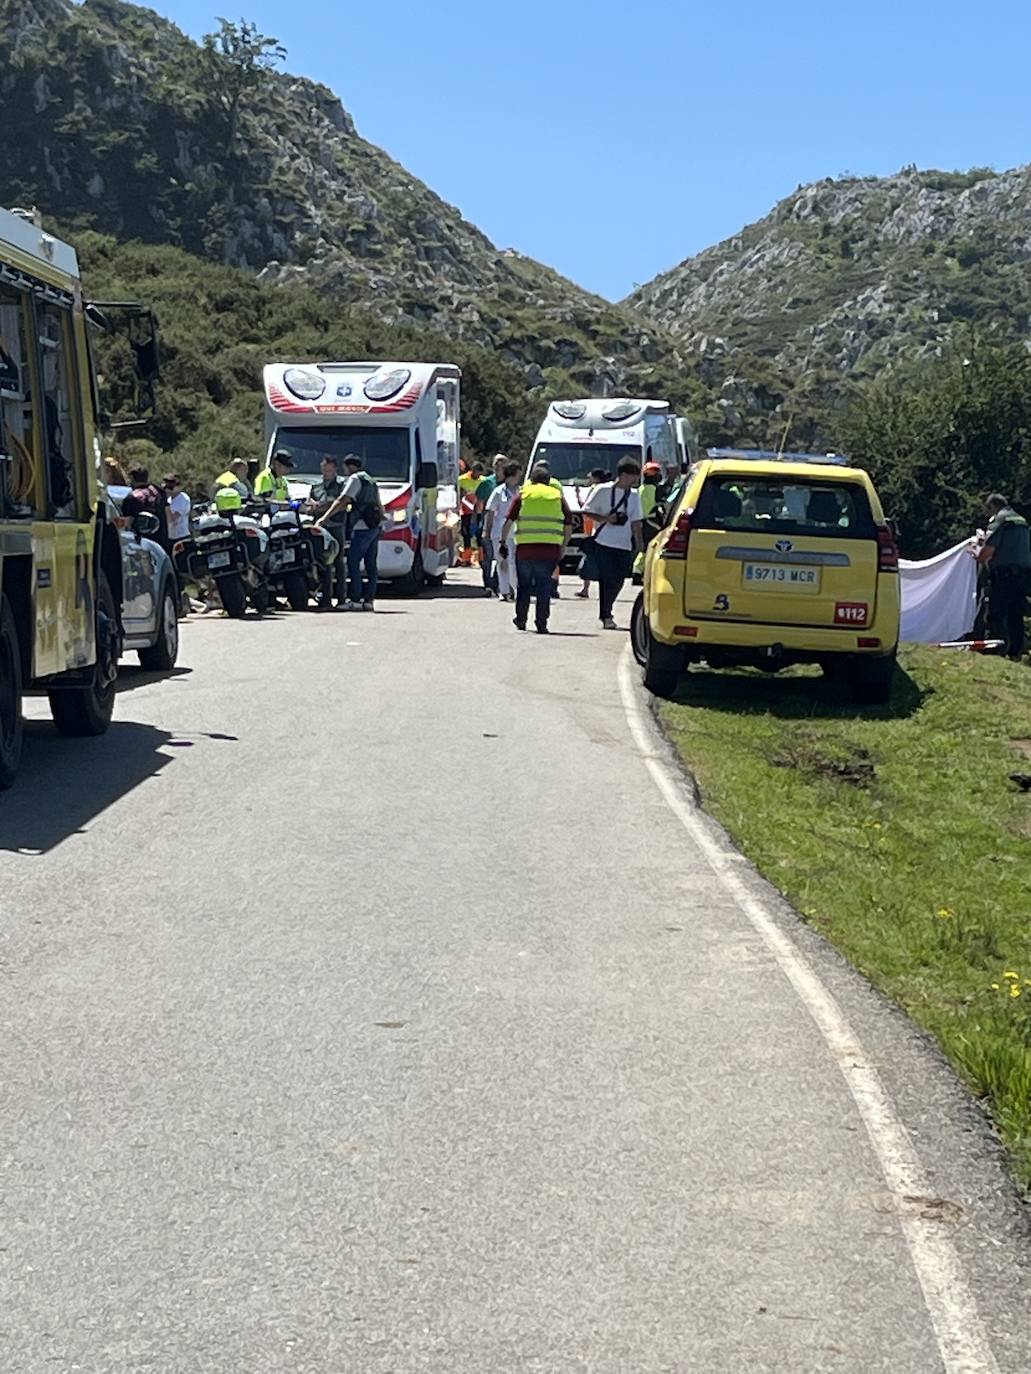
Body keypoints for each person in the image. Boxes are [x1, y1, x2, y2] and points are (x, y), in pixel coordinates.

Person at [499, 460, 573, 634]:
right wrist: (563, 545)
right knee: (544, 586)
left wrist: (503, 542)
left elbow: (508, 520)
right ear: (549, 481)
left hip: (525, 549)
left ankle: (521, 619)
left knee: (524, 586)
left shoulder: (523, 495)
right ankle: (541, 623)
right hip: (549, 550)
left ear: (531, 480)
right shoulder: (557, 496)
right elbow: (568, 523)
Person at [314, 454, 385, 610]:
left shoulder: (355, 479)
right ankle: (368, 601)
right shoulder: (370, 480)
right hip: (374, 525)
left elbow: (343, 500)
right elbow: (380, 504)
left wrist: (324, 518)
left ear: (349, 467)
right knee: (371, 564)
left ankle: (355, 599)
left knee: (352, 562)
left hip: (362, 526)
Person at [580, 459, 644, 630]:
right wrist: (605, 519)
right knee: (606, 580)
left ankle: (607, 609)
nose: (635, 480)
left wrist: (639, 545)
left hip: (624, 544)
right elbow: (586, 510)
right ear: (623, 475)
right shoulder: (602, 490)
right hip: (603, 542)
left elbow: (636, 522)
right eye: (633, 476)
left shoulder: (634, 496)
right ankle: (606, 614)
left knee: (619, 580)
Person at [976, 493, 1031, 659]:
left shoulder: (1000, 520)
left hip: (1004, 575)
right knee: (1016, 613)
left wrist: (977, 552)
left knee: (997, 613)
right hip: (1023, 575)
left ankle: (996, 650)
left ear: (993, 506)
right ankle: (1016, 652)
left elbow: (988, 551)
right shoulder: (1021, 521)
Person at [306, 455, 350, 608]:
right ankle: (325, 598)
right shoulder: (316, 486)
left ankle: (342, 598)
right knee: (322, 563)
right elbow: (309, 504)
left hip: (336, 526)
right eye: (324, 469)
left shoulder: (342, 485)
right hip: (320, 528)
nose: (326, 472)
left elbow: (342, 503)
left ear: (335, 469)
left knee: (338, 563)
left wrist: (324, 506)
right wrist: (312, 507)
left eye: (329, 469)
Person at [484, 461, 522, 601]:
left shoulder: (521, 492)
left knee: (513, 562)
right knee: (502, 561)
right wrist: (487, 532)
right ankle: (504, 591)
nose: (519, 477)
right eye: (518, 474)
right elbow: (490, 512)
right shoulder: (498, 492)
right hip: (499, 532)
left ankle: (516, 590)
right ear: (511, 475)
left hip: (516, 532)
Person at [476, 454, 508, 595]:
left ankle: (499, 584)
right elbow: (478, 506)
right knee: (487, 558)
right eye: (496, 463)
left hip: (505, 527)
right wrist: (475, 525)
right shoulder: (486, 484)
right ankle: (488, 585)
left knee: (501, 556)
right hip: (487, 525)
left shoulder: (510, 485)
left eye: (502, 463)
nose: (499, 465)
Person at [575, 468, 608, 598]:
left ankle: (585, 588)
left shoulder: (595, 489)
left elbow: (586, 507)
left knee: (589, 559)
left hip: (594, 528)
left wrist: (577, 495)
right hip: (605, 529)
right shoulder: (608, 490)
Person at [121, 465, 169, 552]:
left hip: (140, 546)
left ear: (132, 478)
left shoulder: (132, 498)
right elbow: (167, 515)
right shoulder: (160, 492)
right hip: (161, 544)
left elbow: (127, 523)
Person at [633, 462, 664, 583]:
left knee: (644, 549)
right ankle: (643, 573)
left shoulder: (641, 489)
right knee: (650, 549)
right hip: (652, 522)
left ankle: (637, 572)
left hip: (643, 522)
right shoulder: (655, 490)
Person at [458, 461, 484, 566]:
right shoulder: (462, 479)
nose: (478, 476)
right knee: (466, 533)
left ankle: (481, 558)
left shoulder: (483, 481)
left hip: (478, 510)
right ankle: (467, 558)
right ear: (472, 471)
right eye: (477, 473)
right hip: (465, 511)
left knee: (479, 534)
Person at [163, 473, 191, 540]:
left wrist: (166, 505)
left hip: (181, 536)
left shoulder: (183, 499)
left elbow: (172, 518)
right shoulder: (169, 499)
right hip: (171, 537)